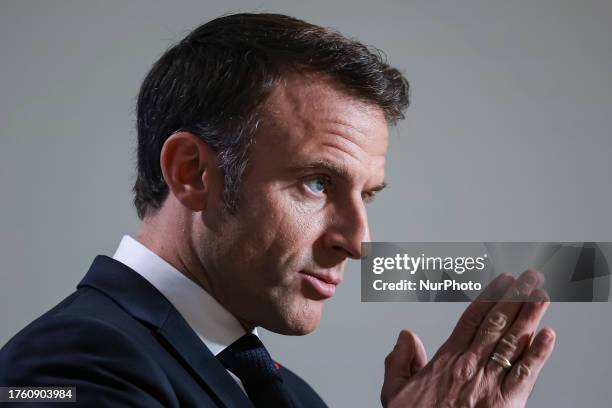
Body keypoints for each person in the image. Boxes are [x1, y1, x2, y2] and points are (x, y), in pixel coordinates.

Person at [0, 13, 555, 407]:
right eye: (317, 183)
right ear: (192, 172)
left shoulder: (294, 397)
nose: (358, 243)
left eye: (367, 194)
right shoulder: (62, 369)